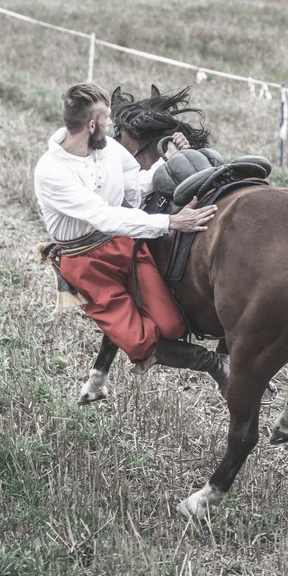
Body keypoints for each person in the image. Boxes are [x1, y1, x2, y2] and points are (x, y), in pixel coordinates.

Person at [33, 82, 228, 392]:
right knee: (140, 343)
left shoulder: (110, 151)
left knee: (173, 325)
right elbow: (105, 216)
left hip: (124, 245)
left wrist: (170, 157)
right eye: (108, 119)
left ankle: (122, 348)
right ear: (92, 124)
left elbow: (134, 193)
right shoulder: (52, 172)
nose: (113, 126)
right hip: (86, 263)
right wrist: (171, 222)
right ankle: (212, 364)